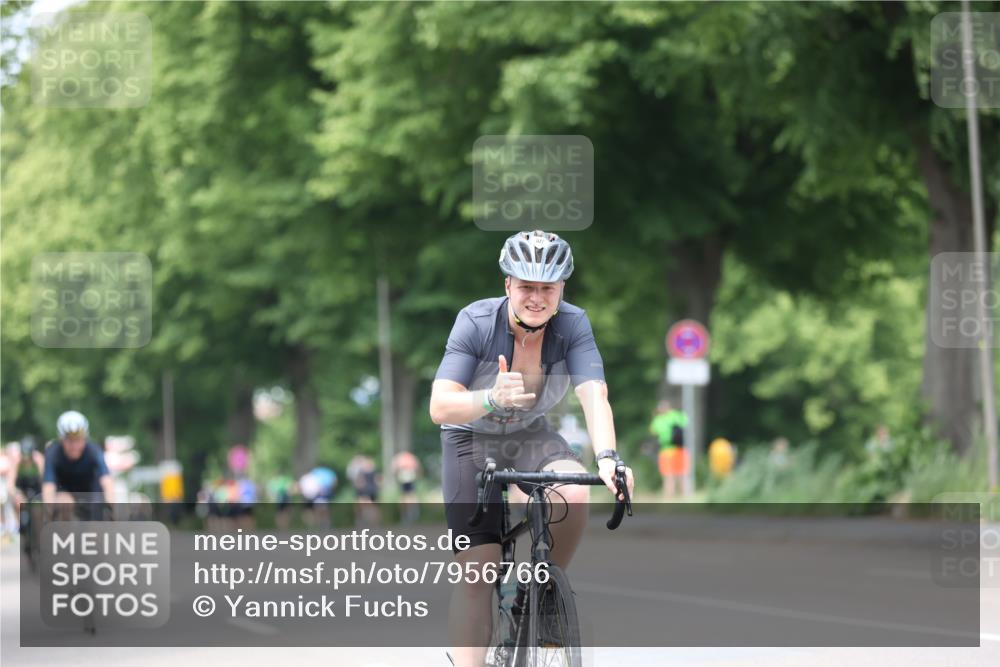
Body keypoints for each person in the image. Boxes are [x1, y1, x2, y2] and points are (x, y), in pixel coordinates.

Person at [429, 230, 635, 667]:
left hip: (529, 434)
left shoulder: (573, 324)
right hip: (469, 437)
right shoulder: (476, 322)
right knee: (479, 568)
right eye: (526, 286)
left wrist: (608, 458)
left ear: (562, 289)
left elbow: (594, 394)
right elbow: (440, 405)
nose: (536, 297)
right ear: (508, 285)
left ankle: (540, 591)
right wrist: (490, 398)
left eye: (547, 287)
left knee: (571, 491)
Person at [41, 411, 115, 519]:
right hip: (65, 493)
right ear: (61, 440)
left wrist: (112, 507)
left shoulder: (93, 450)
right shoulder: (52, 453)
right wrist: (48, 514)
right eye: (70, 440)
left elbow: (107, 481)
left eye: (78, 440)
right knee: (64, 503)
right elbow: (48, 486)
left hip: (91, 492)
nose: (74, 445)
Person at [649, 400, 688, 497]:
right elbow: (686, 421)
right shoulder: (675, 415)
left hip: (666, 450)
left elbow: (653, 431)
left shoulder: (658, 419)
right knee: (681, 474)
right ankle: (684, 496)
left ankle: (669, 496)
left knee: (668, 476)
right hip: (679, 449)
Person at [391, 450, 422, 524]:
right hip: (409, 478)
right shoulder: (411, 458)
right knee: (410, 496)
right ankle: (411, 513)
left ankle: (408, 515)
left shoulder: (399, 458)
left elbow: (394, 469)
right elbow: (418, 468)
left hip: (405, 478)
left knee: (406, 497)